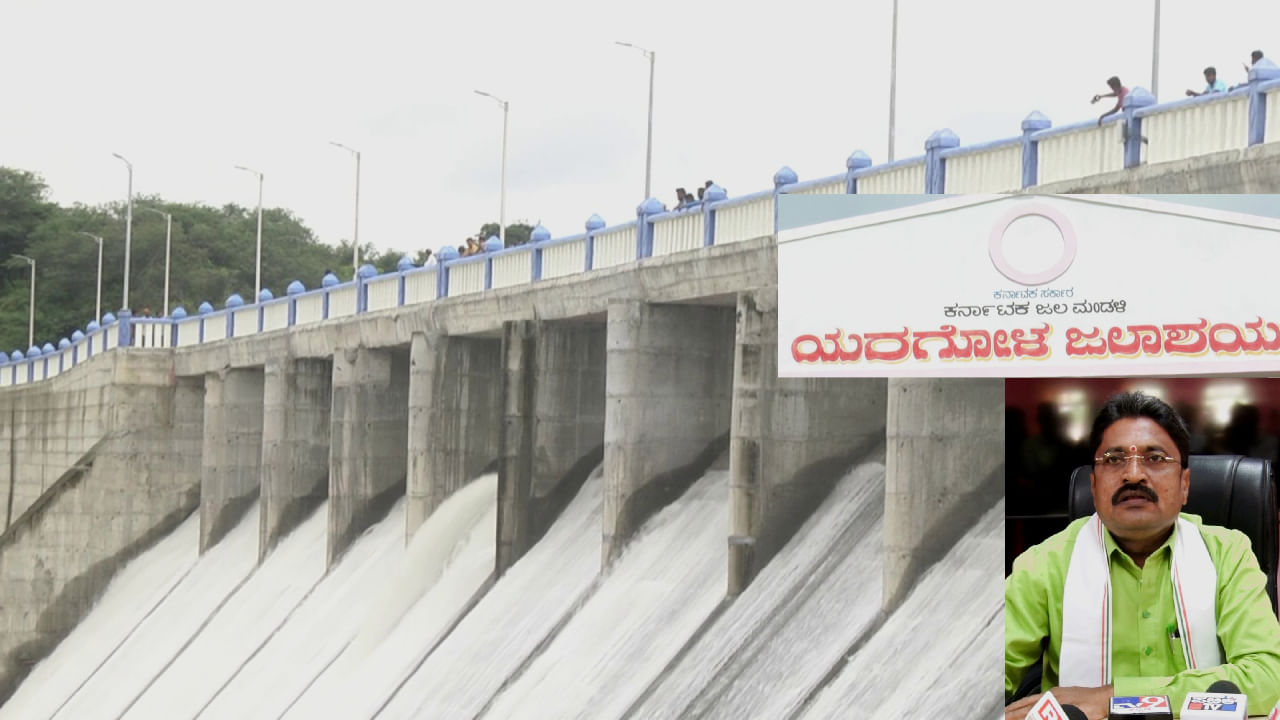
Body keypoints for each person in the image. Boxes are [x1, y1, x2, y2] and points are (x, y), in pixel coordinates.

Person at [1005, 391, 1280, 720]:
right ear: (1093, 486)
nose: (1133, 474)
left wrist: (1112, 696)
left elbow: (1269, 678)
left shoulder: (1227, 553)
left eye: (1155, 459)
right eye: (1114, 459)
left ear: (1185, 485)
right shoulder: (1044, 564)